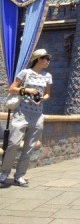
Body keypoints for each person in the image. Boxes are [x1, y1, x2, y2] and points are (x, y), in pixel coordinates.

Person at [0, 49, 53, 187]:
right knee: (13, 143)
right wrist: (26, 90)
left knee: (29, 147)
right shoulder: (25, 73)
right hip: (22, 113)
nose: (48, 61)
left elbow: (48, 94)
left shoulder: (48, 76)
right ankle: (5, 172)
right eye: (46, 58)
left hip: (37, 115)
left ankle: (20, 176)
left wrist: (42, 98)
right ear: (39, 59)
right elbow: (12, 88)